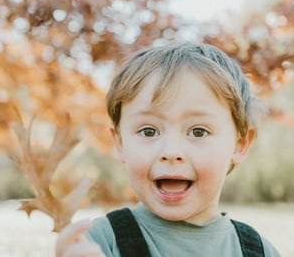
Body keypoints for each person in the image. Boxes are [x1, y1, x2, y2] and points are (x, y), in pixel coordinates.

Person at [56, 42, 281, 257]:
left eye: (198, 131)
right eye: (149, 131)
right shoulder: (99, 243)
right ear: (121, 142)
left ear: (240, 144)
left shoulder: (259, 251)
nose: (171, 151)